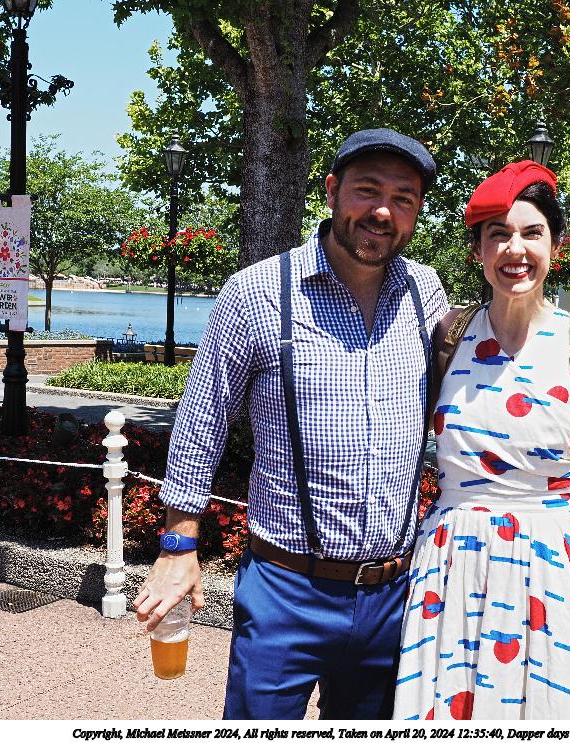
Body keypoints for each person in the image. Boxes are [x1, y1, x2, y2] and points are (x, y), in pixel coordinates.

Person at [133, 128, 450, 720]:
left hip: (393, 597)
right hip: (285, 592)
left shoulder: (424, 292)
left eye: (403, 198)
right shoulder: (256, 292)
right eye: (367, 190)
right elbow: (202, 423)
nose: (383, 211)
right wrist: (178, 547)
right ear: (331, 191)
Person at [393, 160, 570, 720]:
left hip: (553, 572)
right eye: (498, 234)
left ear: (555, 245)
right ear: (477, 249)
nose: (514, 249)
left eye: (532, 233)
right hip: (451, 570)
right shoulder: (448, 336)